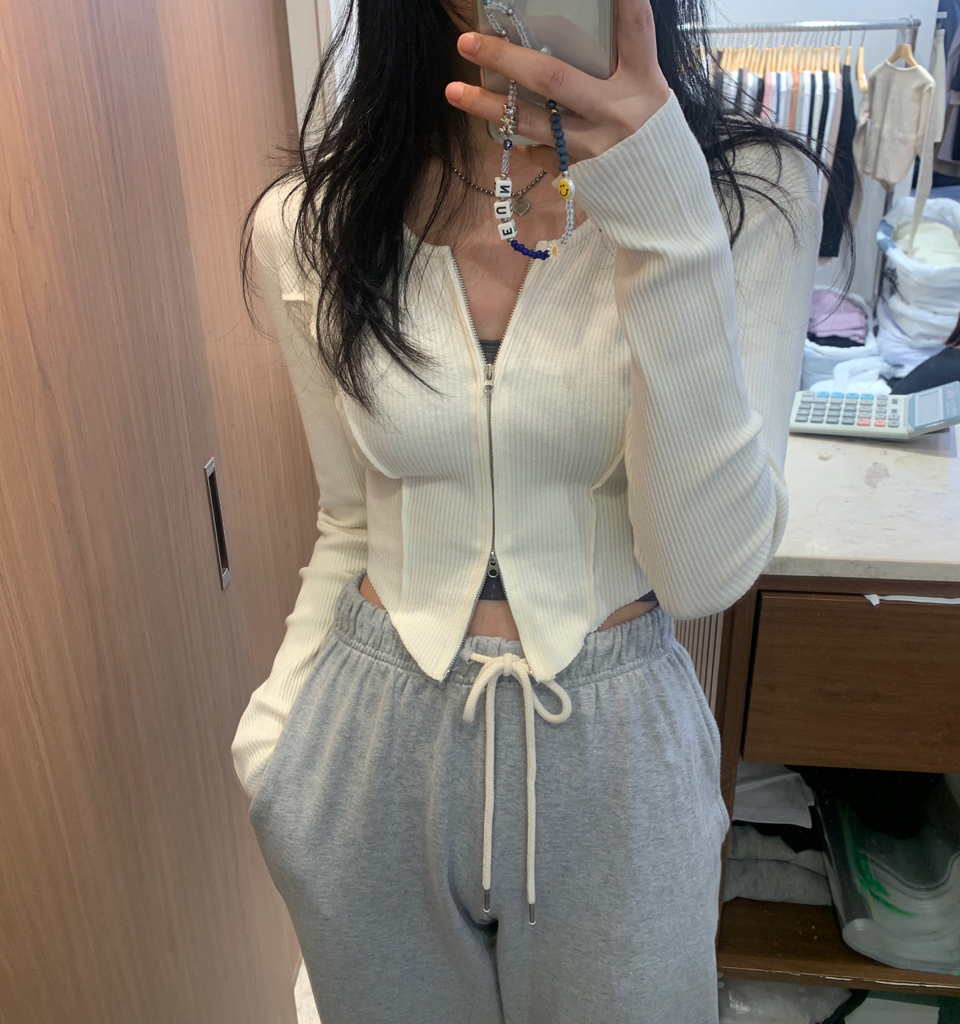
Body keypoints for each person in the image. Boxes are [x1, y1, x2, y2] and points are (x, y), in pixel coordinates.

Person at [232, 1, 851, 1021]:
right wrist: (278, 751)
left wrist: (666, 213)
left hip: (613, 755)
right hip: (369, 749)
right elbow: (348, 519)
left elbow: (702, 573)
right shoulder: (310, 223)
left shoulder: (749, 197)